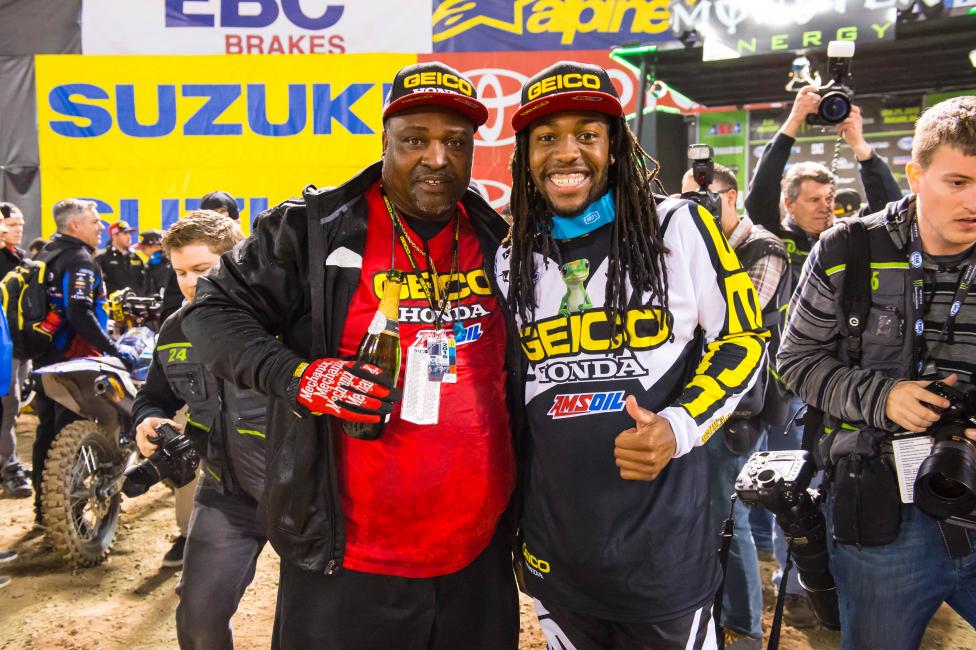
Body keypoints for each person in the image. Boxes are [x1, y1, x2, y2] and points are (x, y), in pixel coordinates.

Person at [182, 62, 519, 648]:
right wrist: (301, 376)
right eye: (416, 139)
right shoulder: (313, 230)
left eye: (455, 143)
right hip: (349, 557)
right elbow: (210, 316)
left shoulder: (497, 238)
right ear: (384, 140)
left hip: (477, 553)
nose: (437, 158)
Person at [498, 61, 768, 649]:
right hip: (558, 555)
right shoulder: (509, 258)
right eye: (547, 138)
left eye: (587, 135)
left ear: (616, 148)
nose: (566, 152)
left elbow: (745, 340)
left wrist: (678, 427)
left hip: (664, 554)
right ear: (526, 156)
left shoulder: (681, 225)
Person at [777, 95, 976, 649]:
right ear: (916, 175)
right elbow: (794, 361)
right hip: (881, 509)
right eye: (957, 182)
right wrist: (882, 397)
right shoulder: (848, 248)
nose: (973, 202)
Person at [743, 85, 903, 620]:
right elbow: (761, 192)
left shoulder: (854, 242)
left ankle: (815, 581)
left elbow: (889, 207)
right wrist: (793, 120)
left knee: (811, 478)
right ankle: (779, 562)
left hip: (834, 388)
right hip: (774, 380)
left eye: (829, 199)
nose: (825, 208)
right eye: (813, 200)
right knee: (771, 479)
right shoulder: (778, 237)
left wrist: (859, 145)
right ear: (790, 206)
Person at [132, 210, 264, 649]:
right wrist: (147, 419)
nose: (189, 283)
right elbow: (154, 397)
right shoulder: (174, 328)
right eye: (181, 272)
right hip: (225, 492)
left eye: (202, 269)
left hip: (303, 497)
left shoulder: (287, 321)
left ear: (238, 260)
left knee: (312, 627)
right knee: (198, 618)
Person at [680, 164, 788, 649]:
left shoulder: (765, 248)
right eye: (685, 202)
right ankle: (719, 612)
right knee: (707, 515)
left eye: (704, 200)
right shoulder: (694, 245)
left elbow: (730, 325)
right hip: (704, 403)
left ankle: (742, 627)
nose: (694, 211)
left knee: (730, 517)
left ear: (733, 198)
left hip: (741, 407)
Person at [31, 200, 136, 521]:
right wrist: (113, 350)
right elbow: (79, 311)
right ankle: (69, 512)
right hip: (73, 359)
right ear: (75, 226)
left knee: (47, 430)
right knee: (73, 430)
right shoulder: (79, 260)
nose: (100, 227)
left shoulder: (47, 253)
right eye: (94, 222)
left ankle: (44, 507)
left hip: (45, 355)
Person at [0, 206, 31, 498]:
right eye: (10, 223)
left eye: (20, 224)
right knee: (7, 406)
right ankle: (9, 467)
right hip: (5, 347)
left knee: (13, 406)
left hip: (17, 345)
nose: (15, 229)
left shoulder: (20, 258)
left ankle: (8, 461)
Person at [95, 220, 146, 295]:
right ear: (114, 236)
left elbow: (144, 283)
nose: (129, 236)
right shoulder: (102, 258)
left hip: (135, 303)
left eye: (129, 233)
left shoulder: (136, 257)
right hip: (112, 304)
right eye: (125, 233)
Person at [136, 229, 170, 297]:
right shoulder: (151, 264)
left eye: (144, 248)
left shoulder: (166, 265)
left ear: (156, 246)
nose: (143, 251)